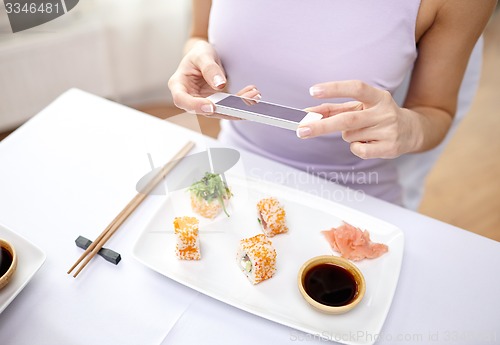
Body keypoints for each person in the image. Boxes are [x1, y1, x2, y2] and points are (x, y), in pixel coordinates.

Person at [168, 0, 496, 207]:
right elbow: (198, 35)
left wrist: (408, 128)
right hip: (236, 169)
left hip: (354, 193)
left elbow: (435, 112)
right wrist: (195, 58)